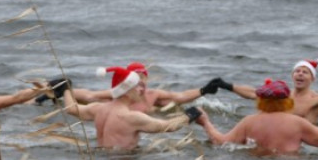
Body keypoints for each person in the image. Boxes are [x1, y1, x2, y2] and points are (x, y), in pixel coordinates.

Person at [56, 65, 202, 150]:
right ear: (125, 91)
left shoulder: (99, 108)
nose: (141, 90)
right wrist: (189, 116)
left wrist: (66, 89)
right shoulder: (132, 117)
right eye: (136, 87)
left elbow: (71, 109)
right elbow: (167, 127)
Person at [197, 78, 318, 155]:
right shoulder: (297, 123)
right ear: (287, 101)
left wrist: (205, 122)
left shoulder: (249, 122)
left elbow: (220, 142)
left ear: (260, 101)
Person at [43, 61, 234, 114]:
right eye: (138, 79)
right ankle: (53, 94)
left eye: (144, 78)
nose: (141, 83)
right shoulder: (117, 94)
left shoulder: (154, 94)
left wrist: (204, 90)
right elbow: (90, 95)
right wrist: (59, 92)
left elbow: (180, 96)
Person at [223, 59, 318, 124]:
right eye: (297, 71)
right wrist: (227, 86)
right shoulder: (282, 94)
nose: (300, 74)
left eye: (305, 72)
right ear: (292, 75)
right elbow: (254, 93)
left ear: (312, 78)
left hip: (305, 140)